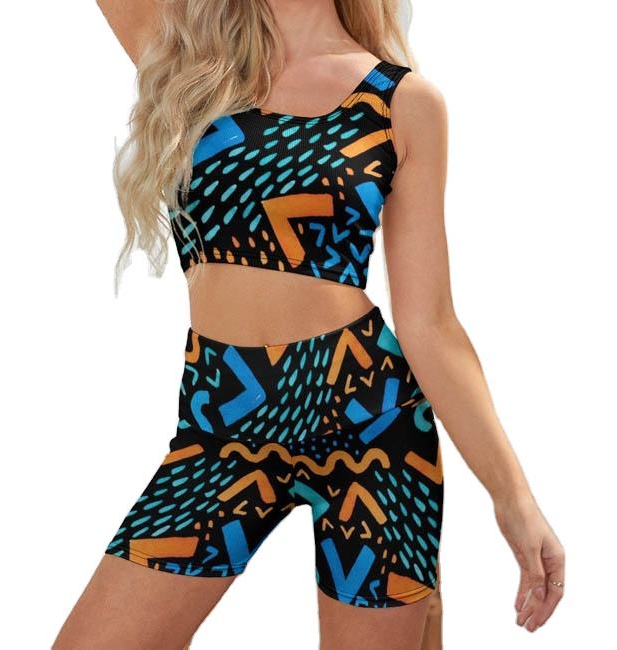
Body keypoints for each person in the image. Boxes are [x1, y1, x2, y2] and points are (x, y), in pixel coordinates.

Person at [53, 1, 565, 648]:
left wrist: (514, 499)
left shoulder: (402, 102)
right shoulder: (188, 58)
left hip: (369, 423)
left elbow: (430, 323)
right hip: (221, 426)